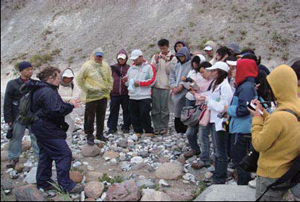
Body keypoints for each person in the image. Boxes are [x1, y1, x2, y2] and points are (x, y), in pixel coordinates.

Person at [248, 65, 300, 201]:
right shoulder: (295, 107)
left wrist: (257, 119)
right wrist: (264, 114)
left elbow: (259, 144)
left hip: (270, 173)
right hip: (286, 171)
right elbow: (282, 129)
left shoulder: (279, 117)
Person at [28, 66, 83, 193]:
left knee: (46, 154)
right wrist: (70, 106)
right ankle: (66, 185)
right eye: (58, 78)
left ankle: (43, 182)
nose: (60, 80)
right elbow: (56, 110)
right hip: (47, 128)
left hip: (40, 127)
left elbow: (52, 107)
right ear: (50, 78)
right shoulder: (47, 92)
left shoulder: (41, 89)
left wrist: (68, 105)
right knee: (64, 153)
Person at [198, 62, 233, 184]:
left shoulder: (225, 87)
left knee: (221, 151)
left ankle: (220, 177)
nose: (211, 73)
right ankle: (218, 173)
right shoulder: (216, 84)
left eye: (213, 71)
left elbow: (223, 107)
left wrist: (208, 101)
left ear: (219, 72)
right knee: (217, 149)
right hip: (215, 120)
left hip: (221, 122)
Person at [227, 58, 259, 185]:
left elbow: (244, 110)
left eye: (235, 68)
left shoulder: (245, 87)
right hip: (243, 128)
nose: (232, 70)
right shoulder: (247, 85)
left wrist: (227, 109)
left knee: (240, 162)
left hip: (242, 130)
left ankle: (243, 191)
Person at [4, 61, 39, 168]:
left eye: (31, 69)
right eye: (28, 70)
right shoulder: (12, 84)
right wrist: (8, 118)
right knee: (15, 137)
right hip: (18, 116)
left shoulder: (35, 83)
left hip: (33, 115)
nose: (30, 72)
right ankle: (13, 158)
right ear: (21, 71)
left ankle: (40, 156)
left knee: (36, 136)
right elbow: (7, 102)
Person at [76, 47, 113, 145]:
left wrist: (108, 88)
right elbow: (79, 79)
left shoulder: (105, 66)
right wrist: (87, 88)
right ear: (94, 56)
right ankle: (89, 134)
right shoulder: (87, 66)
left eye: (100, 56)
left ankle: (100, 133)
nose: (99, 58)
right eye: (97, 56)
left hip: (103, 95)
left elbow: (110, 78)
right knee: (90, 116)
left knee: (101, 115)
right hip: (91, 95)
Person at [183, 62, 214, 163]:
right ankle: (195, 149)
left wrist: (195, 94)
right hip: (199, 110)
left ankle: (205, 159)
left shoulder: (214, 82)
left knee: (203, 135)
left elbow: (206, 97)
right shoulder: (204, 80)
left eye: (202, 72)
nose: (201, 75)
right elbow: (199, 89)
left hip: (207, 111)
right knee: (190, 133)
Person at [124, 49, 156, 138]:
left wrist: (140, 83)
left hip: (144, 95)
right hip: (133, 95)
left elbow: (152, 80)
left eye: (136, 59)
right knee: (134, 113)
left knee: (144, 113)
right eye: (133, 59)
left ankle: (148, 130)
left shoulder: (149, 67)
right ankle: (137, 130)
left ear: (141, 57)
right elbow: (128, 83)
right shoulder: (131, 68)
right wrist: (126, 81)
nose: (134, 61)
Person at [150, 39, 177, 135]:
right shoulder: (155, 56)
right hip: (156, 85)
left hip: (166, 86)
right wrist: (156, 61)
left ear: (168, 47)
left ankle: (164, 127)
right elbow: (152, 70)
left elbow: (171, 71)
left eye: (164, 48)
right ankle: (156, 126)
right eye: (161, 48)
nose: (163, 50)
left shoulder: (173, 57)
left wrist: (167, 61)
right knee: (156, 108)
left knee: (165, 108)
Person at [107, 49, 131, 134]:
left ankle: (126, 126)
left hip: (125, 94)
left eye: (123, 58)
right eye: (120, 58)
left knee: (127, 111)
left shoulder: (129, 68)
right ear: (117, 58)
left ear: (126, 59)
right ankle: (112, 127)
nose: (121, 60)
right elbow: (108, 80)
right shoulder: (112, 68)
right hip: (114, 94)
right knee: (113, 111)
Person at [169, 47, 192, 134]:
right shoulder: (177, 66)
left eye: (182, 56)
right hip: (176, 91)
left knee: (185, 110)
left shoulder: (190, 65)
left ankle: (185, 128)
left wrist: (182, 85)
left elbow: (190, 77)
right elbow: (171, 76)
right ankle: (178, 129)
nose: (181, 58)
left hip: (185, 92)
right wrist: (173, 86)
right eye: (179, 57)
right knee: (177, 111)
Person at [58, 68, 80, 147]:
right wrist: (69, 99)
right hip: (58, 112)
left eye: (69, 78)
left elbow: (76, 97)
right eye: (66, 78)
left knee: (68, 133)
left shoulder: (73, 85)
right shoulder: (57, 85)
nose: (68, 79)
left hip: (70, 112)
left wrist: (66, 99)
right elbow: (56, 97)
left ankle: (68, 151)